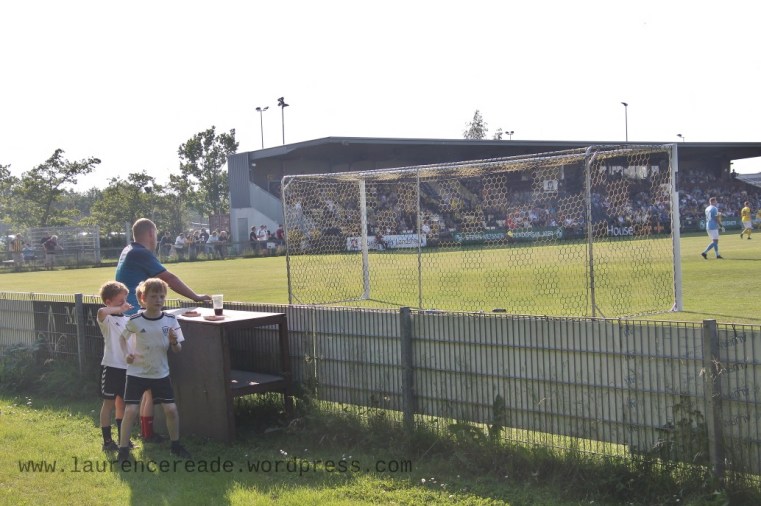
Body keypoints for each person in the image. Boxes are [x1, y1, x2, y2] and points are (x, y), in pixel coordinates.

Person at [115, 218, 210, 442]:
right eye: (156, 235)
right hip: (137, 319)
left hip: (128, 318)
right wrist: (196, 297)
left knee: (142, 382)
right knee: (148, 380)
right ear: (151, 233)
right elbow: (168, 279)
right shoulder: (140, 253)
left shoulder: (128, 250)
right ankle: (145, 434)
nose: (156, 239)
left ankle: (143, 432)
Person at [117, 278, 191, 462]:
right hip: (137, 373)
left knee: (171, 409)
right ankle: (123, 450)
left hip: (160, 373)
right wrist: (127, 355)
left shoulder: (170, 320)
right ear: (143, 298)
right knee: (130, 410)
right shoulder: (135, 320)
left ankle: (176, 445)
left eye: (161, 296)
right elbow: (122, 339)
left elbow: (178, 349)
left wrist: (174, 342)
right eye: (153, 296)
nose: (158, 300)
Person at [96, 280, 134, 453]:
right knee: (109, 404)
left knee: (122, 404)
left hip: (127, 368)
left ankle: (123, 438)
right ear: (109, 302)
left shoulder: (128, 320)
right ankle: (107, 442)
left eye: (125, 300)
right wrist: (117, 309)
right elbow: (101, 311)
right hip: (111, 367)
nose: (124, 304)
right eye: (120, 301)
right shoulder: (107, 319)